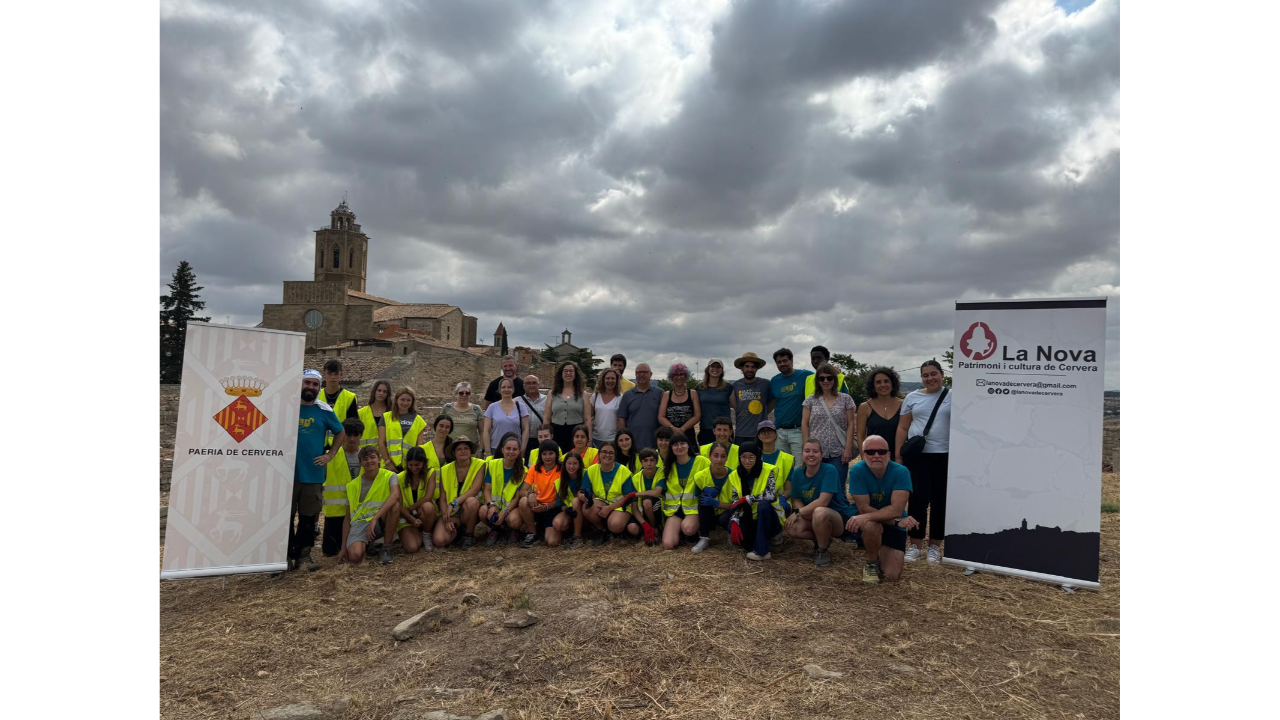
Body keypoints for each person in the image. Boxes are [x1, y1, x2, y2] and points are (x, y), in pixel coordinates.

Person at [896, 360, 952, 564]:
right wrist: (898, 456)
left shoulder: (953, 396)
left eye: (933, 374)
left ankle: (935, 547)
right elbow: (903, 427)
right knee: (918, 500)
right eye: (925, 375)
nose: (930, 378)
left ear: (942, 374)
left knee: (940, 501)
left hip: (944, 455)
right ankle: (915, 545)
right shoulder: (912, 397)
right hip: (918, 456)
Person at [845, 435, 918, 583]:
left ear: (889, 454)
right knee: (871, 525)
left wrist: (894, 519)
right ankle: (871, 562)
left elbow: (896, 510)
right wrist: (896, 521)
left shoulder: (901, 471)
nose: (876, 455)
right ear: (863, 455)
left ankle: (877, 547)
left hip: (892, 519)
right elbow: (864, 509)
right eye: (870, 452)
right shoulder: (856, 471)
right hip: (885, 521)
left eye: (882, 451)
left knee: (892, 576)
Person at [292, 369, 345, 571]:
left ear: (319, 387)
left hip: (312, 474)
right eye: (307, 383)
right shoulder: (287, 406)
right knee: (284, 519)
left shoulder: (324, 411)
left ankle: (303, 558)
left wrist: (330, 455)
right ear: (300, 384)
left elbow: (340, 432)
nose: (310, 387)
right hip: (286, 475)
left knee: (308, 518)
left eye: (315, 384)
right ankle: (283, 557)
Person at [784, 440, 856, 567]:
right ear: (802, 454)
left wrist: (799, 512)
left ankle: (822, 550)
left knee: (820, 512)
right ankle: (823, 538)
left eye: (815, 451)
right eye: (807, 451)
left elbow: (823, 501)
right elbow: (796, 499)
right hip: (812, 515)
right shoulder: (797, 474)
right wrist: (802, 513)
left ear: (821, 456)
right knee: (792, 527)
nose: (811, 454)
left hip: (837, 517)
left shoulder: (829, 470)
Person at [717, 442, 785, 561]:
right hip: (749, 517)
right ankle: (754, 540)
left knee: (763, 505)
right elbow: (736, 502)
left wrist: (748, 498)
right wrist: (734, 521)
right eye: (743, 457)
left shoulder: (768, 470)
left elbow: (769, 495)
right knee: (726, 520)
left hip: (768, 516)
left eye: (751, 457)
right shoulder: (735, 475)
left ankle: (762, 551)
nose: (747, 461)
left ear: (757, 457)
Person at [338, 446, 402, 565]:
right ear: (360, 463)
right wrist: (343, 547)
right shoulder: (351, 485)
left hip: (380, 520)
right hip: (360, 523)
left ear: (379, 459)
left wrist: (375, 519)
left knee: (395, 505)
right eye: (365, 459)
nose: (369, 461)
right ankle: (370, 544)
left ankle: (386, 547)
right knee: (355, 557)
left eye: (372, 457)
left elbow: (395, 495)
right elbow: (347, 518)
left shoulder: (390, 476)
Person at [801, 363, 857, 482]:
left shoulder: (846, 399)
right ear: (817, 381)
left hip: (838, 451)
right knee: (816, 485)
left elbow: (851, 424)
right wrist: (807, 448)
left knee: (838, 485)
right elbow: (805, 424)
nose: (825, 381)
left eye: (829, 378)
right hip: (816, 452)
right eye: (822, 378)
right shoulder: (810, 400)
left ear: (834, 379)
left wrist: (848, 448)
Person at [321, 418, 367, 558]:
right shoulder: (330, 456)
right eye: (348, 434)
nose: (352, 438)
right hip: (336, 513)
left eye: (356, 434)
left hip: (361, 513)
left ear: (361, 435)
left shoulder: (368, 457)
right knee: (330, 551)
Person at [584, 441, 643, 544]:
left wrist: (610, 508)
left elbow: (628, 497)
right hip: (603, 502)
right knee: (587, 507)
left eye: (611, 453)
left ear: (615, 455)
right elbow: (582, 491)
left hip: (622, 504)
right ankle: (602, 530)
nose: (607, 455)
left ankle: (621, 529)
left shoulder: (623, 471)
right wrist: (584, 497)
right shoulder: (591, 470)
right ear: (599, 454)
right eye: (604, 452)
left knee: (615, 525)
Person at [659, 432, 710, 551]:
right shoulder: (667, 466)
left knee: (688, 528)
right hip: (675, 510)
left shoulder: (701, 461)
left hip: (694, 508)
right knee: (668, 544)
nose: (679, 447)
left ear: (688, 445)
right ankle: (680, 532)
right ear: (671, 448)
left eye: (683, 443)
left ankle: (688, 532)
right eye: (675, 445)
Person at [435, 436, 487, 549]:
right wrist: (446, 518)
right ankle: (458, 531)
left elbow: (475, 489)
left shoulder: (480, 464)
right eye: (459, 449)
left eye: (466, 448)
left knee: (472, 501)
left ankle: (468, 534)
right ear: (454, 453)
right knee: (439, 540)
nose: (463, 451)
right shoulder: (445, 469)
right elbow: (442, 498)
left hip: (470, 509)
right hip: (453, 513)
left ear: (470, 450)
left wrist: (453, 503)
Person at [483, 433, 529, 547]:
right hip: (495, 505)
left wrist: (504, 513)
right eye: (508, 448)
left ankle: (513, 530)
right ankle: (496, 529)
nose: (511, 452)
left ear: (519, 451)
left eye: (515, 449)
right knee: (483, 511)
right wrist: (491, 505)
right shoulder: (492, 464)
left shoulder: (523, 470)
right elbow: (487, 489)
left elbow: (517, 497)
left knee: (514, 521)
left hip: (511, 507)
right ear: (502, 449)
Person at [524, 441, 571, 548]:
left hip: (554, 508)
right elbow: (523, 490)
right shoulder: (534, 468)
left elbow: (562, 498)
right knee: (523, 501)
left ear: (556, 454)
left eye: (551, 453)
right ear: (540, 455)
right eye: (544, 454)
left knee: (552, 542)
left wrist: (545, 507)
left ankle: (561, 528)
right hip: (537, 506)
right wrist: (530, 494)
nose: (547, 457)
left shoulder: (562, 470)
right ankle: (532, 533)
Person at [691, 443, 735, 553]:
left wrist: (716, 503)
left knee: (725, 518)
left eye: (723, 456)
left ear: (727, 458)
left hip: (727, 514)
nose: (719, 460)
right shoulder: (700, 476)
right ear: (709, 456)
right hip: (709, 514)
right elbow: (696, 498)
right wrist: (704, 492)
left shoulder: (735, 476)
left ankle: (731, 534)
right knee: (703, 499)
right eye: (715, 455)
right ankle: (704, 538)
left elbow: (736, 505)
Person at [769, 348, 812, 457]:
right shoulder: (774, 381)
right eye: (779, 362)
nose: (782, 364)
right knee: (782, 464)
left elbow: (823, 377)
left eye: (785, 360)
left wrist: (835, 371)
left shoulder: (806, 375)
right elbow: (772, 403)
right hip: (779, 431)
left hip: (798, 430)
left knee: (799, 463)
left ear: (791, 360)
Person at [395, 445, 439, 554]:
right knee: (413, 548)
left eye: (417, 465)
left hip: (421, 512)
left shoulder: (430, 473)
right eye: (410, 465)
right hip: (406, 516)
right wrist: (411, 518)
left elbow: (428, 497)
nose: (414, 468)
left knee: (428, 506)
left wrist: (411, 509)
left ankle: (426, 534)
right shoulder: (399, 477)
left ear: (424, 463)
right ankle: (416, 532)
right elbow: (399, 505)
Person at [858, 367, 904, 462]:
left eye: (886, 381)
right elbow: (860, 435)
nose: (883, 385)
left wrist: (899, 458)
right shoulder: (865, 407)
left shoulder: (903, 405)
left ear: (893, 383)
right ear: (873, 386)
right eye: (878, 382)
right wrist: (864, 457)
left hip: (899, 458)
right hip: (874, 458)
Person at [378, 387, 427, 473]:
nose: (405, 403)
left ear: (412, 402)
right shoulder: (386, 417)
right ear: (396, 400)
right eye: (402, 399)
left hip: (410, 467)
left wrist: (412, 465)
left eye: (409, 400)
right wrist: (388, 462)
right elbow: (381, 443)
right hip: (388, 466)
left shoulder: (419, 420)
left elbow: (419, 446)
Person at [617, 363, 662, 452]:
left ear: (651, 374)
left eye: (645, 372)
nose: (641, 375)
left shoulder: (660, 393)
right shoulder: (627, 395)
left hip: (655, 445)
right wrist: (625, 439)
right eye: (639, 372)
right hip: (633, 445)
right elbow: (621, 418)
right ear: (635, 374)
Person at [549, 361, 593, 453]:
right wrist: (547, 436)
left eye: (571, 371)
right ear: (561, 374)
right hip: (556, 433)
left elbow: (587, 419)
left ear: (575, 374)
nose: (568, 373)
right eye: (565, 371)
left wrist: (589, 439)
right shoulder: (552, 394)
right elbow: (546, 417)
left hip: (577, 434)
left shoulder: (583, 395)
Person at [730, 352, 772, 444]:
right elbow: (735, 406)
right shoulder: (735, 385)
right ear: (742, 368)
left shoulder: (766, 384)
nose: (750, 369)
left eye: (753, 367)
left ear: (757, 368)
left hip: (760, 432)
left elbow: (773, 401)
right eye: (747, 366)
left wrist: (763, 412)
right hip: (741, 432)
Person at [481, 377, 530, 457]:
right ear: (499, 390)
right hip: (495, 448)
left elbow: (526, 429)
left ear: (513, 389)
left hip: (514, 449)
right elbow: (486, 430)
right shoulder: (492, 407)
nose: (506, 389)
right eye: (503, 387)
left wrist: (522, 450)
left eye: (509, 387)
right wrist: (488, 451)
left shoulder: (521, 406)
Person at [320, 358, 359, 450]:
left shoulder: (350, 397)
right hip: (318, 444)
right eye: (330, 374)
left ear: (341, 375)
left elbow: (352, 426)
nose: (333, 377)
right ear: (324, 375)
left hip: (340, 446)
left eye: (336, 374)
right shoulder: (316, 396)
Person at [657, 361, 701, 442]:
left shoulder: (693, 394)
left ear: (686, 376)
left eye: (681, 374)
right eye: (676, 375)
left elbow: (697, 416)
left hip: (689, 436)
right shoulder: (666, 395)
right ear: (671, 377)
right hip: (670, 437)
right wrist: (673, 429)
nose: (679, 377)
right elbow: (661, 417)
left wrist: (682, 429)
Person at [754, 421, 794, 506]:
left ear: (776, 434)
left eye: (769, 431)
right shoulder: (754, 458)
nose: (766, 433)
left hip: (779, 503)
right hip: (756, 502)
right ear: (759, 436)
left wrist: (783, 498)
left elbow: (788, 488)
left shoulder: (787, 459)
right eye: (763, 431)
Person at [556, 451, 589, 548]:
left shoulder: (586, 474)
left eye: (575, 463)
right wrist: (566, 509)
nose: (571, 466)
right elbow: (560, 504)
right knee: (558, 524)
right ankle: (571, 531)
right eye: (569, 463)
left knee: (576, 501)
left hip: (586, 510)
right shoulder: (559, 481)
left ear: (579, 465)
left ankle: (577, 537)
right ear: (565, 464)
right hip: (571, 512)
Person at [443, 382, 484, 458]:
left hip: (471, 452)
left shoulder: (476, 409)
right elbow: (440, 429)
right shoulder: (447, 408)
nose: (464, 395)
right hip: (450, 451)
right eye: (461, 393)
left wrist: (481, 450)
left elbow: (482, 432)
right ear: (456, 394)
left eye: (467, 393)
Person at [696, 359, 732, 446]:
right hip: (705, 428)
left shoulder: (728, 387)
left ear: (722, 370)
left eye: (718, 367)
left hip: (724, 429)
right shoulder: (699, 387)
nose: (715, 369)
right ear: (708, 369)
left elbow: (736, 406)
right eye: (712, 366)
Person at [632, 447, 665, 541]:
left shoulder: (662, 472)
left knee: (647, 502)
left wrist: (637, 494)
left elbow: (656, 493)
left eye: (652, 460)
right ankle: (647, 528)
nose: (649, 464)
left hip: (661, 511)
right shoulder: (635, 478)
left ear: (657, 461)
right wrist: (645, 525)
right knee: (632, 529)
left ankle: (655, 527)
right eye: (645, 460)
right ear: (641, 462)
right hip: (642, 512)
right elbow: (634, 507)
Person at [355, 379, 392, 451]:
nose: (381, 393)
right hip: (365, 454)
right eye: (379, 390)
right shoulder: (361, 413)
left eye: (385, 391)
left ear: (388, 394)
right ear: (374, 391)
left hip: (386, 454)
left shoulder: (392, 414)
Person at [591, 368, 623, 447]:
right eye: (607, 378)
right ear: (603, 380)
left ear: (617, 380)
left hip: (613, 440)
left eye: (613, 378)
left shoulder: (620, 398)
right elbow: (588, 417)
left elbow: (621, 420)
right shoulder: (595, 396)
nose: (610, 381)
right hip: (596, 438)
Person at [519, 374, 546, 454]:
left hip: (541, 440)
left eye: (534, 383)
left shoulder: (547, 400)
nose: (531, 385)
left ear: (539, 385)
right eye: (528, 383)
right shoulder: (517, 401)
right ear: (524, 386)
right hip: (522, 441)